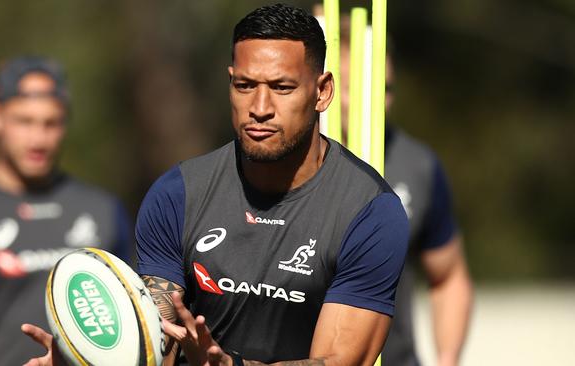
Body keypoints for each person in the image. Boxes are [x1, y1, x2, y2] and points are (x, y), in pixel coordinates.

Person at [22, 4, 409, 366]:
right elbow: (157, 341)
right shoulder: (179, 194)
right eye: (245, 85)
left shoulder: (369, 211)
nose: (259, 107)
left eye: (282, 87)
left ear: (322, 91)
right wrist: (89, 359)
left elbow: (337, 362)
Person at [0, 56, 132, 366]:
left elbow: (135, 321)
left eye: (51, 123)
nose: (39, 139)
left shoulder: (104, 210)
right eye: (24, 121)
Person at [338, 21, 474, 366]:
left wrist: (448, 357)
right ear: (322, 86)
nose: (380, 101)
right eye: (359, 86)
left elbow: (448, 275)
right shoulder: (281, 166)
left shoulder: (418, 165)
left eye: (385, 87)